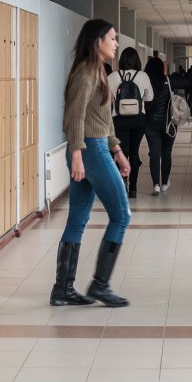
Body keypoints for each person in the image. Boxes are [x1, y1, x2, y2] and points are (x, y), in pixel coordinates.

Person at [51, 19, 131, 308]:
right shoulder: (86, 74)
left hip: (93, 148)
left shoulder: (98, 71)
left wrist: (117, 149)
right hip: (88, 150)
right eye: (112, 38)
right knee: (122, 215)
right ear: (97, 41)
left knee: (78, 219)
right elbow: (74, 118)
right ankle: (100, 285)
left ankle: (63, 289)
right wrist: (76, 154)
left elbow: (102, 120)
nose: (116, 43)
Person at [108, 47, 154, 199]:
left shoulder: (113, 76)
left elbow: (106, 99)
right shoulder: (143, 76)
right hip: (138, 120)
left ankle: (122, 186)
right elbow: (150, 98)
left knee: (122, 153)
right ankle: (133, 188)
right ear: (137, 60)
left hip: (118, 120)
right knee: (134, 154)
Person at [143, 56, 175, 195]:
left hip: (150, 124)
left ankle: (155, 184)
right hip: (168, 124)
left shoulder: (145, 82)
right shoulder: (167, 80)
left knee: (154, 154)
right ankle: (164, 183)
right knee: (166, 153)